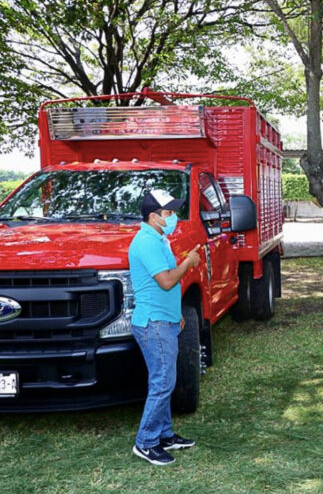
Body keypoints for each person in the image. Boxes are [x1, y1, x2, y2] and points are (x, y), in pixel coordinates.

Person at [129, 188, 201, 466]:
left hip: (164, 320)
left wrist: (175, 314)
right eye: (169, 213)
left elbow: (167, 286)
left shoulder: (158, 238)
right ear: (153, 216)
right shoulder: (146, 243)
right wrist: (188, 263)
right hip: (153, 325)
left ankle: (164, 435)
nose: (174, 217)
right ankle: (146, 442)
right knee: (163, 382)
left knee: (163, 380)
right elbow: (167, 281)